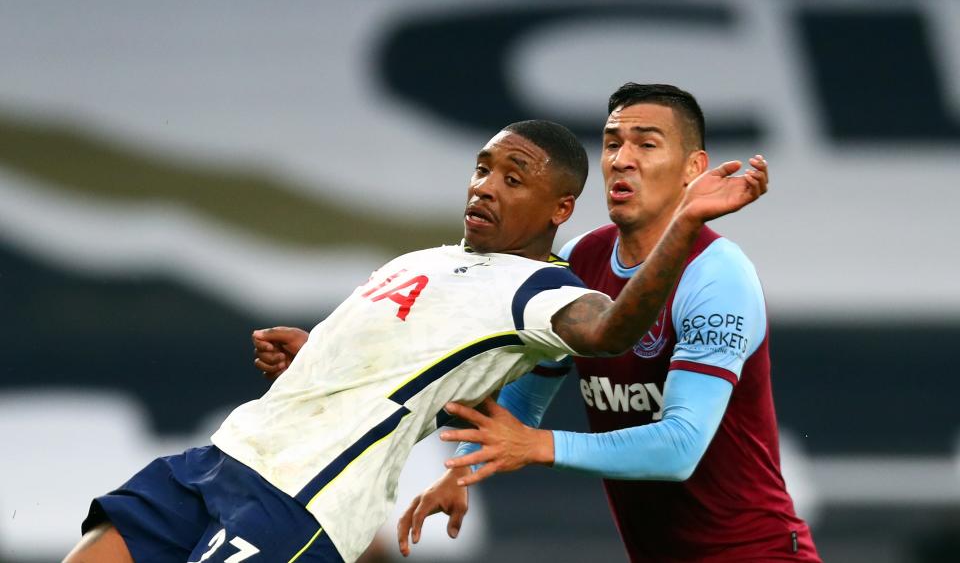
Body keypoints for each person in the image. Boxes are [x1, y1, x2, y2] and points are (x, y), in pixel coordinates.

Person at [64, 119, 768, 563]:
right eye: (482, 168)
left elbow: (612, 328)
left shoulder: (539, 290)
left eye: (511, 177)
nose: (485, 186)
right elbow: (406, 374)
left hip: (296, 501)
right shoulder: (419, 259)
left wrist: (684, 224)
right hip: (218, 460)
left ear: (558, 208)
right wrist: (316, 354)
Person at [397, 84, 820, 562]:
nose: (622, 159)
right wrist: (460, 472)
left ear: (693, 168)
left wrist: (537, 445)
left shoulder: (717, 274)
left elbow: (680, 447)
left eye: (646, 144)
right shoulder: (581, 258)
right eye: (613, 142)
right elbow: (529, 393)